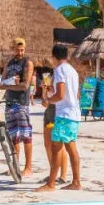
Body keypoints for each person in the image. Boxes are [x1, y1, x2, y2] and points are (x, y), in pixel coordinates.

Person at [37, 44, 81, 192]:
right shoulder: (73, 71)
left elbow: (61, 95)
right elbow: (73, 94)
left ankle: (51, 183)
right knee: (71, 146)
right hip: (74, 113)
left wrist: (48, 100)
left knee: (56, 148)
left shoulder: (60, 70)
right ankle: (75, 182)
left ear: (54, 57)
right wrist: (52, 91)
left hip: (64, 114)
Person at [1, 38, 34, 177]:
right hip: (9, 102)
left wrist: (8, 85)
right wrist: (10, 83)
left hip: (21, 103)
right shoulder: (9, 63)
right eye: (17, 49)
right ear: (13, 49)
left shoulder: (27, 63)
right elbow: (1, 82)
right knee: (13, 136)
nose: (20, 52)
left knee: (26, 136)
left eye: (22, 50)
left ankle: (28, 168)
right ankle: (15, 166)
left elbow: (25, 86)